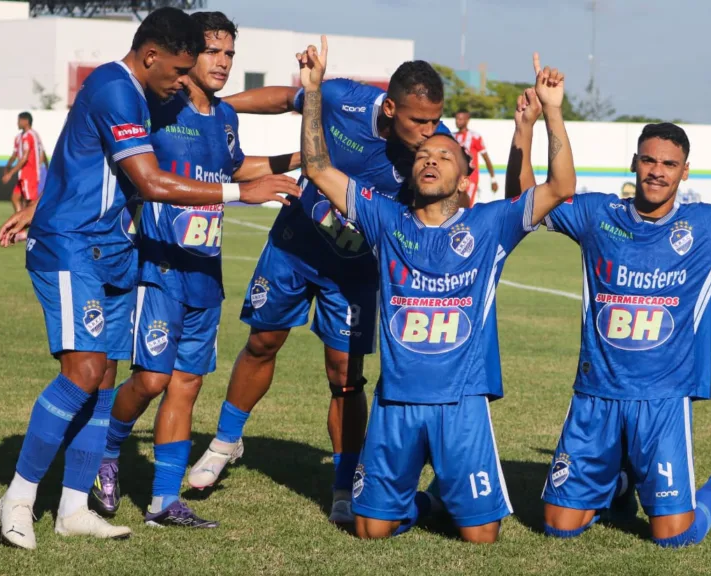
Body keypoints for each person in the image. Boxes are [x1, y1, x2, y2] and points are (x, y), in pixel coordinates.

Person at [0, 7, 300, 550]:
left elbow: (84, 160)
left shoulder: (150, 97)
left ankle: (72, 508)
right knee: (86, 371)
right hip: (73, 245)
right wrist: (240, 193)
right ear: (152, 56)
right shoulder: (115, 88)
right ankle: (17, 497)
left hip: (115, 249)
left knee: (105, 384)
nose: (185, 82)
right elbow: (150, 180)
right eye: (182, 70)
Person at [299, 38, 575, 543]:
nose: (429, 160)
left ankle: (446, 495)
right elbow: (318, 170)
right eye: (422, 154)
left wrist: (550, 114)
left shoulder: (491, 225)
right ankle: (425, 498)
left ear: (466, 176)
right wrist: (313, 92)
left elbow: (558, 188)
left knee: (481, 538)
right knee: (370, 531)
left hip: (461, 404)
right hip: (396, 403)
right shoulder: (385, 220)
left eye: (444, 156)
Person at [509, 88, 711, 547]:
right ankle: (621, 481)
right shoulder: (597, 214)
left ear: (685, 171)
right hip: (596, 396)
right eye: (649, 161)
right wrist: (530, 125)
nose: (657, 172)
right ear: (635, 163)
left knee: (674, 537)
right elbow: (526, 201)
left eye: (669, 164)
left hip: (663, 400)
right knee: (557, 527)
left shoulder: (707, 226)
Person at [187, 54, 451, 524]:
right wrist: (219, 103)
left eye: (435, 120)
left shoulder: (432, 149)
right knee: (263, 341)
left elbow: (443, 198)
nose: (430, 131)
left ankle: (345, 484)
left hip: (353, 274)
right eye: (420, 121)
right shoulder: (343, 98)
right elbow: (284, 100)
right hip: (294, 246)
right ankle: (225, 442)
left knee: (345, 377)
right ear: (390, 108)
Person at [87, 11, 299, 529]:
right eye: (213, 51)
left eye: (230, 54)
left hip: (206, 273)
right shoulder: (159, 106)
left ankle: (163, 504)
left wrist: (299, 160)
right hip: (157, 267)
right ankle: (107, 452)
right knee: (153, 379)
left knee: (186, 384)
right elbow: (115, 160)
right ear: (187, 53)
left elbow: (234, 168)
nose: (222, 62)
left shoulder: (225, 118)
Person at [3, 112, 48, 213]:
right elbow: (15, 153)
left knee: (30, 202)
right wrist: (7, 166)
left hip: (30, 173)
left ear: (26, 121)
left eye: (19, 121)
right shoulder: (19, 137)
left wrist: (10, 173)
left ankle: (33, 225)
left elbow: (25, 157)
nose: (17, 123)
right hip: (22, 174)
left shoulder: (30, 135)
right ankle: (21, 226)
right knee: (15, 198)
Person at [454, 108, 498, 206]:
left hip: (471, 179)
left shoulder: (475, 137)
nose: (458, 121)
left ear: (467, 120)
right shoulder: (452, 136)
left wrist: (493, 179)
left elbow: (486, 159)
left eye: (461, 119)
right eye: (456, 119)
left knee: (466, 206)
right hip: (454, 178)